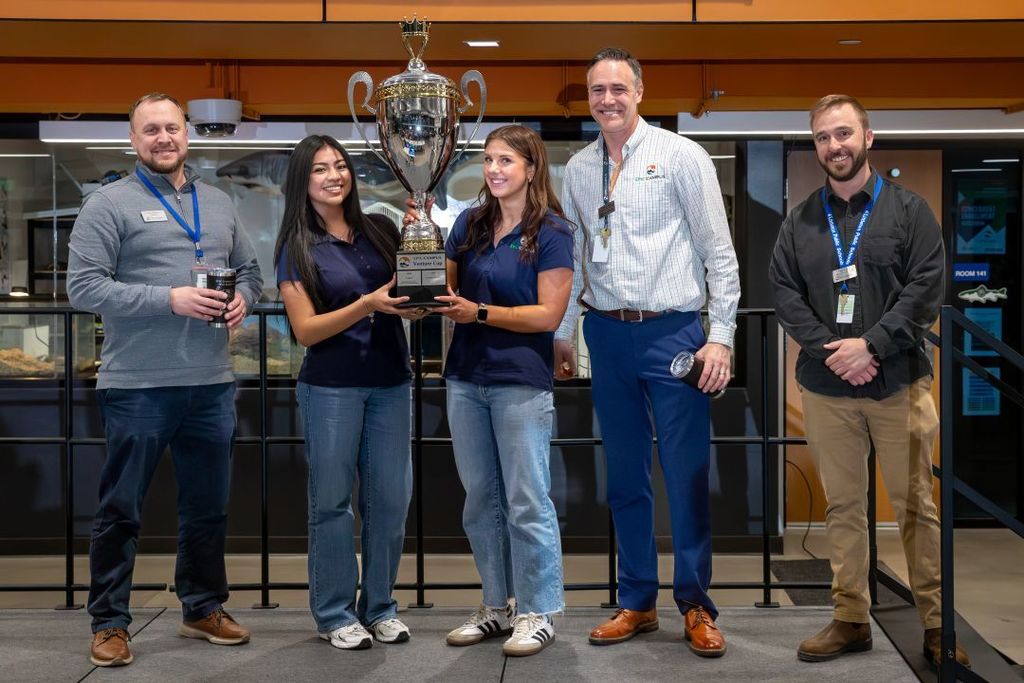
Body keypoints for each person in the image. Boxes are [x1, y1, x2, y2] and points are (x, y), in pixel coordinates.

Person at [768, 94, 969, 668]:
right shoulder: (801, 221)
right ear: (817, 147)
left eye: (843, 134)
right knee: (843, 508)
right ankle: (851, 618)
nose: (835, 146)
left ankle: (937, 625)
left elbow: (926, 288)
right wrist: (834, 351)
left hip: (899, 382)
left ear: (868, 137)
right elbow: (784, 293)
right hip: (828, 386)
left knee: (916, 506)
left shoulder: (910, 212)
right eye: (824, 138)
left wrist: (871, 345)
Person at [553, 47, 739, 658]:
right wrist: (565, 333)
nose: (607, 99)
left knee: (685, 474)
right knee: (625, 476)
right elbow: (578, 257)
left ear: (640, 91)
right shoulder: (578, 168)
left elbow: (720, 254)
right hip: (606, 334)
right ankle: (637, 600)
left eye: (618, 88)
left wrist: (721, 336)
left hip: (675, 333)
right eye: (596, 90)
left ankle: (695, 604)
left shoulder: (682, 156)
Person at [67, 92, 263, 667]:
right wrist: (168, 299)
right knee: (121, 508)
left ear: (187, 135)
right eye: (150, 130)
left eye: (172, 128)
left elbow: (250, 271)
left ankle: (201, 607)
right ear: (133, 140)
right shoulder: (108, 205)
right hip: (137, 385)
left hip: (211, 383)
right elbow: (83, 288)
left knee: (207, 508)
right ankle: (109, 622)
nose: (163, 138)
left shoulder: (219, 203)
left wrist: (243, 302)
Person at [275, 135, 425, 650]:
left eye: (340, 166)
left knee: (390, 502)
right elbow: (306, 331)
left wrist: (415, 302)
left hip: (390, 383)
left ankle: (379, 606)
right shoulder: (295, 247)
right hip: (331, 389)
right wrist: (368, 304)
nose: (334, 175)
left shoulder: (380, 229)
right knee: (333, 504)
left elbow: (406, 296)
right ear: (303, 180)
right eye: (320, 169)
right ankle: (335, 612)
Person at [430, 125, 573, 657]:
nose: (494, 170)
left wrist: (480, 312)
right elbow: (437, 288)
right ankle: (497, 605)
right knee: (480, 501)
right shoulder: (468, 223)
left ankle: (537, 610)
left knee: (526, 501)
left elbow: (547, 315)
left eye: (506, 161)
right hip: (465, 378)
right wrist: (418, 257)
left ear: (532, 168)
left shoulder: (553, 231)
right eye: (489, 160)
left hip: (520, 381)